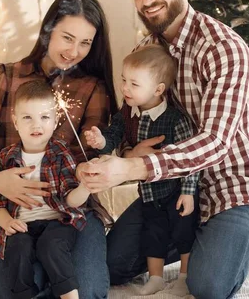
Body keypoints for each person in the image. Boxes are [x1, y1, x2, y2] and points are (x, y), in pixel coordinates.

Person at [78, 0, 249, 299]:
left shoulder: (223, 49)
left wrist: (133, 167)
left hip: (231, 184)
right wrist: (123, 150)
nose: (147, 0)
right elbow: (130, 120)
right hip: (170, 187)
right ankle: (202, 237)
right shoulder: (146, 53)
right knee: (111, 266)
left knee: (208, 286)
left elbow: (216, 142)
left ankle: (247, 231)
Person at [0, 0, 118, 299]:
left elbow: (97, 154)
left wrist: (99, 157)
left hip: (70, 212)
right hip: (14, 211)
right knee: (14, 291)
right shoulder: (6, 76)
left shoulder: (92, 88)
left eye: (85, 43)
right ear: (48, 30)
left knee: (85, 292)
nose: (74, 51)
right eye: (67, 37)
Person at [84, 44, 199, 296]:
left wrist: (188, 192)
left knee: (183, 232)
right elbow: (113, 137)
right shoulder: (127, 113)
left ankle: (184, 275)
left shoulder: (175, 119)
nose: (125, 88)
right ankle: (156, 277)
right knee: (152, 234)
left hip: (176, 190)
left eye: (134, 84)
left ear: (158, 89)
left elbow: (191, 160)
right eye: (124, 80)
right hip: (149, 193)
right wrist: (100, 141)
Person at [0, 80, 90, 299]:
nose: (36, 125)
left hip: (57, 221)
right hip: (22, 223)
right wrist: (7, 222)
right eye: (27, 118)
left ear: (55, 120)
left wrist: (86, 187)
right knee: (17, 247)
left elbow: (71, 199)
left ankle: (70, 295)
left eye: (44, 117)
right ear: (15, 121)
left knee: (51, 245)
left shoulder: (61, 153)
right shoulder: (7, 156)